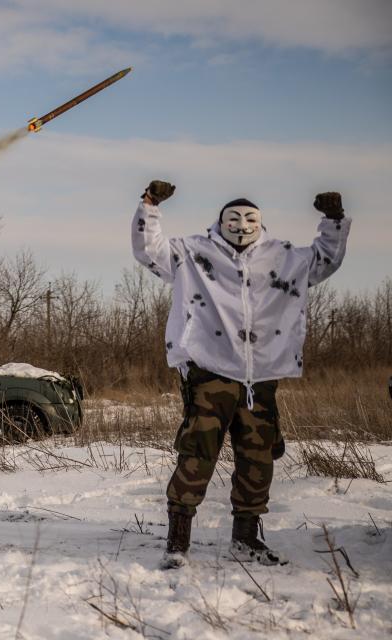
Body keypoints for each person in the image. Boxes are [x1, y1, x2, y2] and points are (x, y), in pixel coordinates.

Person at [132, 180, 351, 569]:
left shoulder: (281, 257)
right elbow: (150, 251)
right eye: (233, 218)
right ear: (220, 222)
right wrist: (149, 206)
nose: (242, 225)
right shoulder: (195, 253)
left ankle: (246, 538)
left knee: (258, 457)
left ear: (260, 223)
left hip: (261, 376)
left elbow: (324, 260)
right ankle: (177, 541)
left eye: (250, 218)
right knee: (197, 452)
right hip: (210, 369)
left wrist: (332, 220)